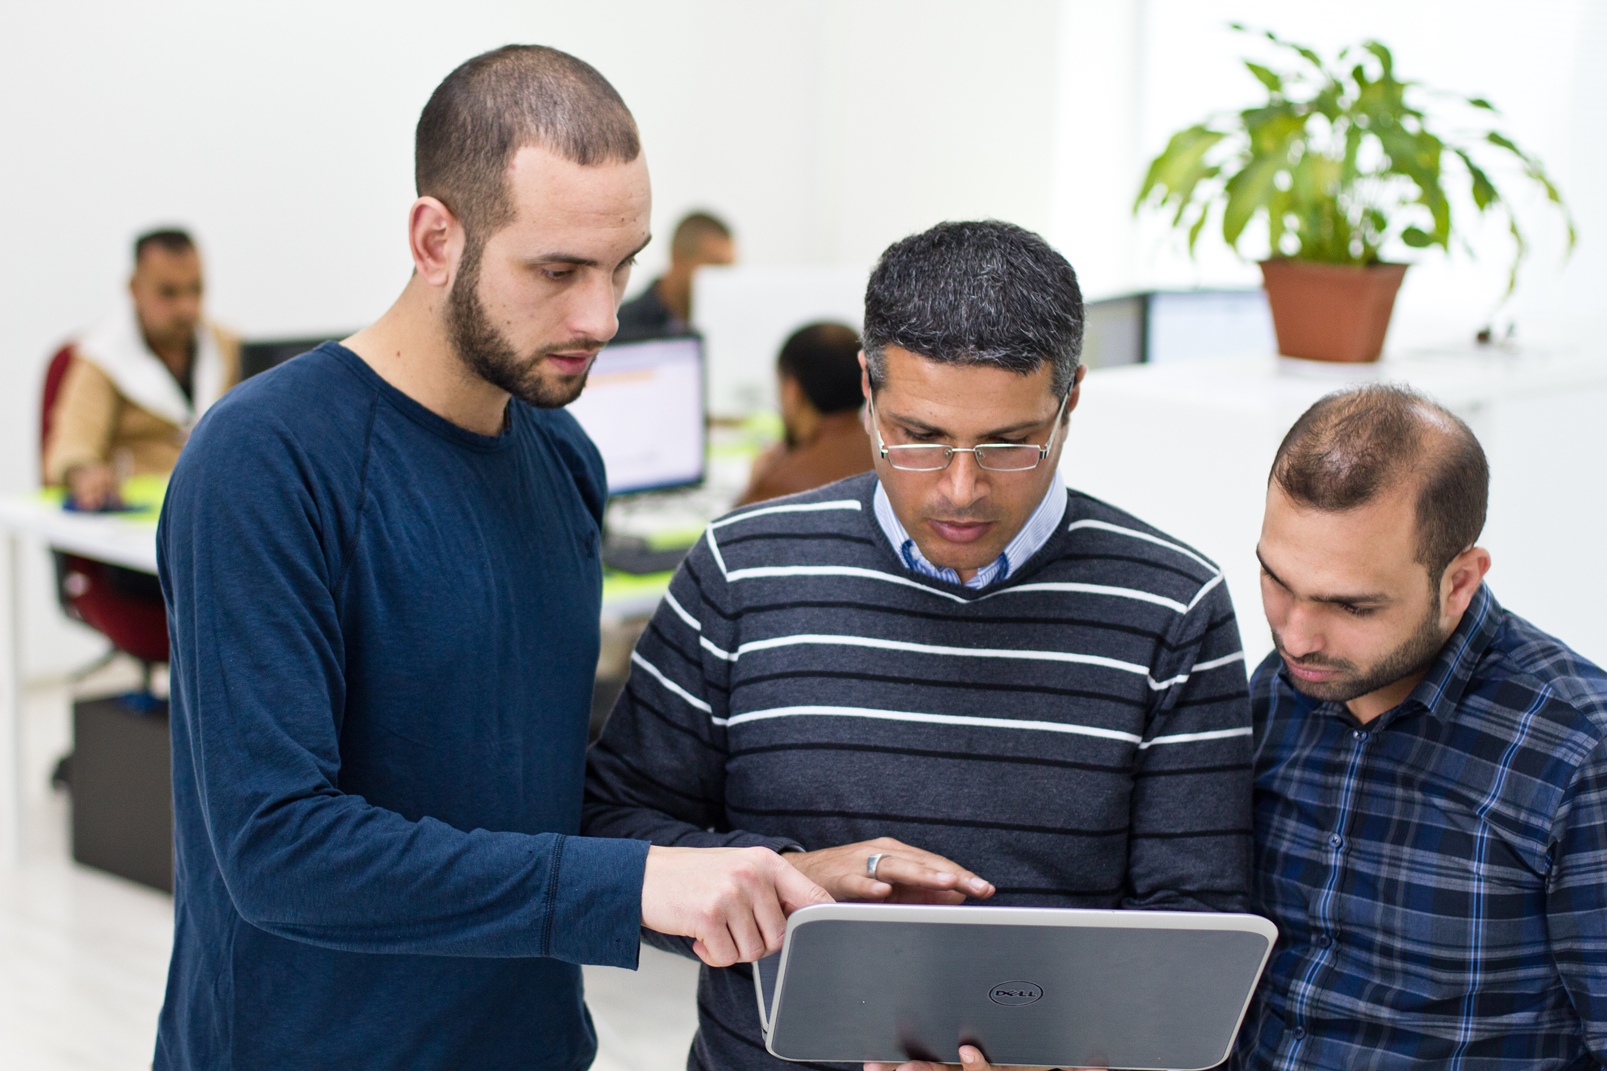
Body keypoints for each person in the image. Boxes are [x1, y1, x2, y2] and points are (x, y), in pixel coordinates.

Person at [154, 45, 826, 1071]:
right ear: (434, 238)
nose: (600, 319)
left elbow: (532, 806)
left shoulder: (562, 455)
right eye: (557, 270)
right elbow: (277, 850)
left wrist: (773, 876)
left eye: (621, 267)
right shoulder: (264, 459)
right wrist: (632, 887)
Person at [584, 220, 1254, 1071]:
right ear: (865, 388)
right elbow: (615, 833)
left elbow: (1194, 939)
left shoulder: (1172, 605)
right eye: (920, 435)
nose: (961, 489)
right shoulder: (739, 570)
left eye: (1010, 442)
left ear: (1071, 398)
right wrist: (793, 884)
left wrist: (1045, 1059)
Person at [1234, 385, 1607, 1068]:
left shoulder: (1579, 750)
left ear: (1458, 580)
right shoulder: (1275, 689)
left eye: (1350, 604)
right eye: (1276, 579)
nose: (1295, 634)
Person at [44, 228, 240, 509]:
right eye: (169, 293)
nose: (187, 307)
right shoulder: (102, 358)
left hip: (218, 513)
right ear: (135, 289)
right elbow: (71, 445)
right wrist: (85, 475)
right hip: (136, 530)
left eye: (195, 289)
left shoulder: (229, 348)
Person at [735, 321, 873, 505]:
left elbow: (732, 531)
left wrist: (756, 484)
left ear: (792, 392)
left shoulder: (784, 483)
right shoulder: (887, 455)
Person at [615, 209, 734, 338]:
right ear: (679, 260)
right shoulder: (621, 329)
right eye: (716, 267)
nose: (726, 279)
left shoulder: (727, 328)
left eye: (730, 270)